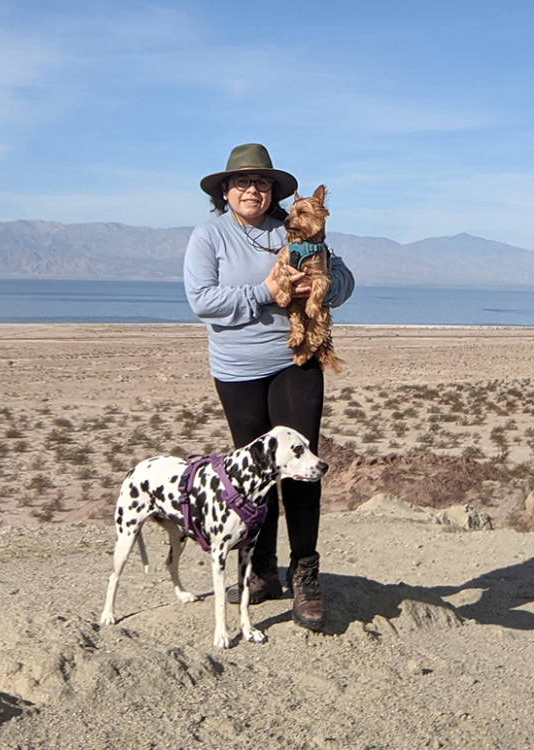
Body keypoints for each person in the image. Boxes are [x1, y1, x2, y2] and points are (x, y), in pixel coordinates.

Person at [183, 143, 354, 631]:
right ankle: (261, 570)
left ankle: (305, 575)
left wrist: (321, 288)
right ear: (224, 191)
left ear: (273, 191)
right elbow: (202, 300)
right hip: (236, 371)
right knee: (253, 478)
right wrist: (267, 292)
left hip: (293, 363)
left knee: (301, 470)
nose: (251, 190)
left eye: (261, 182)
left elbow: (344, 279)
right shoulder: (208, 237)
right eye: (241, 182)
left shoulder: (294, 227)